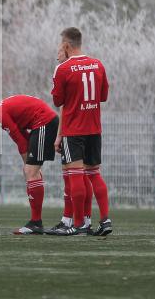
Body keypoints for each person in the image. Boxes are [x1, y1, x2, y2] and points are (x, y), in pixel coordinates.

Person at [48, 27, 112, 236]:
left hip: (74, 129)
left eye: (60, 45)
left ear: (66, 45)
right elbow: (103, 96)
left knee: (74, 175)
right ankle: (105, 219)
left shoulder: (63, 68)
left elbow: (58, 100)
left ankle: (78, 224)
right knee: (94, 174)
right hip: (94, 127)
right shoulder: (98, 64)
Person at [0, 94, 58, 235]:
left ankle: (36, 223)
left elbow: (18, 138)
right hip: (43, 122)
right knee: (30, 171)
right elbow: (22, 134)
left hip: (44, 122)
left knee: (30, 171)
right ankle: (36, 222)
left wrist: (27, 162)